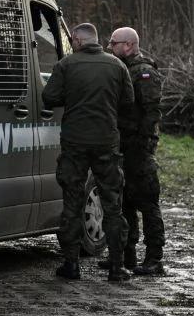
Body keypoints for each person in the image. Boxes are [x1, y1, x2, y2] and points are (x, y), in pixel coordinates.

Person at [42, 23, 135, 281]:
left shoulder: (66, 65)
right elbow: (128, 102)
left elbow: (48, 97)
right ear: (97, 40)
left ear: (77, 41)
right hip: (106, 143)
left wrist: (73, 97)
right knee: (112, 205)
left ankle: (71, 265)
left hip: (74, 143)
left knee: (72, 203)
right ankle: (117, 267)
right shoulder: (117, 66)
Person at [104, 27, 166, 275]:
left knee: (147, 202)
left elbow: (151, 111)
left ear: (128, 45)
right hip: (122, 144)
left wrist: (143, 143)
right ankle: (126, 255)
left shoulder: (144, 72)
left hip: (138, 147)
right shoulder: (123, 68)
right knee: (124, 201)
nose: (110, 47)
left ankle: (154, 258)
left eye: (114, 43)